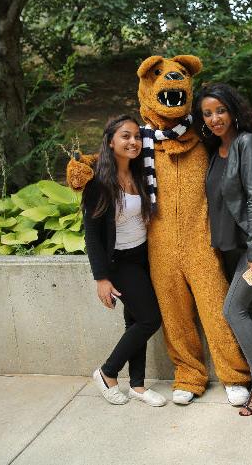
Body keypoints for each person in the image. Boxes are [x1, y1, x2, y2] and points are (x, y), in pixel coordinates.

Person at [194, 83, 252, 416]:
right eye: (207, 113)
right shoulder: (214, 148)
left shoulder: (246, 143)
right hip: (231, 245)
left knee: (233, 310)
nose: (215, 118)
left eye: (220, 110)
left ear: (232, 111)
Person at [82, 115, 166, 407]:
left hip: (145, 254)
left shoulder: (141, 173)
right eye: (125, 137)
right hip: (120, 261)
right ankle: (107, 372)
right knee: (149, 319)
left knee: (134, 321)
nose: (133, 142)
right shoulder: (98, 184)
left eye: (136, 136)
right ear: (110, 142)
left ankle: (138, 386)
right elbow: (91, 236)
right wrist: (101, 278)